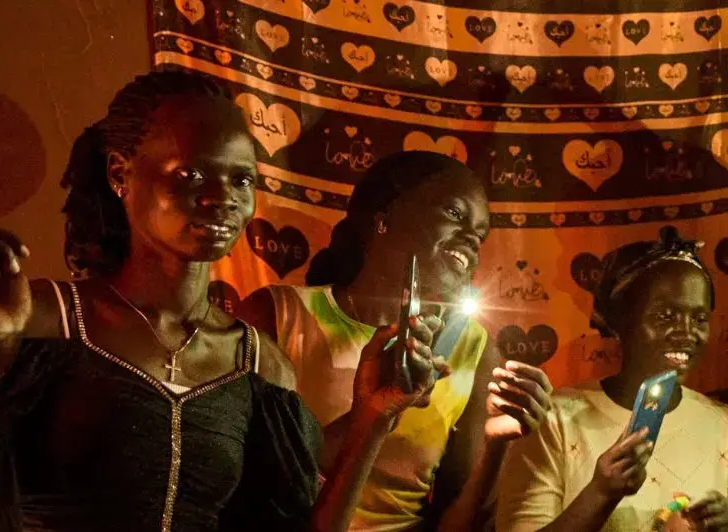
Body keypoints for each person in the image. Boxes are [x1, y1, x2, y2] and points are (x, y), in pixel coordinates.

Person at [0, 68, 438, 531]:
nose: (222, 198)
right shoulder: (43, 320)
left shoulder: (258, 364)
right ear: (120, 174)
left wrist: (372, 416)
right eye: (192, 174)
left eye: (242, 180)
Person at [234, 151, 555, 531]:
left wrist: (497, 447)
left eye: (480, 234)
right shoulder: (277, 315)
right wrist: (371, 414)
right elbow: (254, 476)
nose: (471, 239)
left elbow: (459, 521)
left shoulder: (473, 348)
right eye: (454, 214)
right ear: (383, 219)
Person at [493, 227, 728, 532]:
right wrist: (600, 493)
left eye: (699, 319)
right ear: (621, 322)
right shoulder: (552, 422)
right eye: (665, 315)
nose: (687, 332)